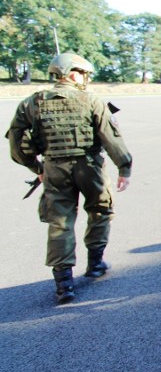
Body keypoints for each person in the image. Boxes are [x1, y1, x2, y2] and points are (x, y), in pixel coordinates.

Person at [6, 53, 132, 304]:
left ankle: (64, 284)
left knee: (60, 222)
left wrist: (36, 167)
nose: (85, 79)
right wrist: (124, 168)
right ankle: (95, 264)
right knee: (99, 210)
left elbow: (16, 140)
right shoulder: (92, 100)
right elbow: (111, 138)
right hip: (89, 166)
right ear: (73, 73)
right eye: (83, 73)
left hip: (54, 167)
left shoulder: (32, 102)